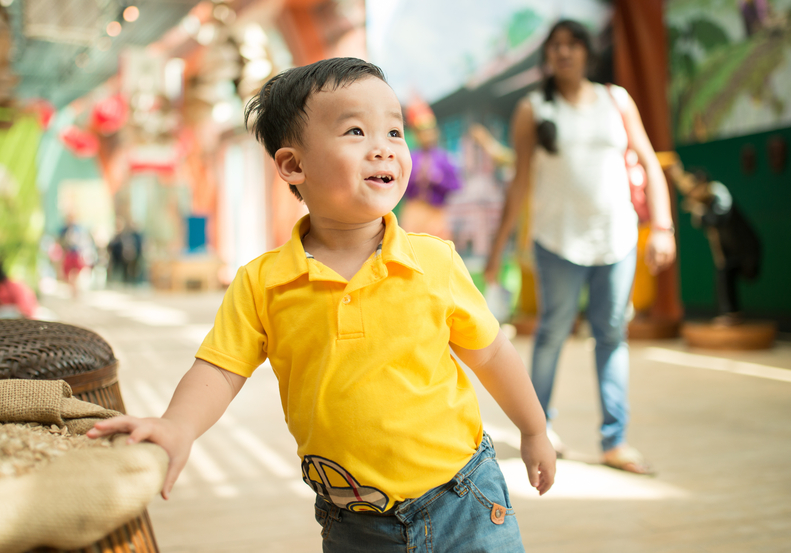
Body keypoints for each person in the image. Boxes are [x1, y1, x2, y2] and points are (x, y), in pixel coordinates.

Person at [89, 58, 555, 551]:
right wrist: (177, 426)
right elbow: (220, 370)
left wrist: (533, 429)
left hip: (463, 498)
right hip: (355, 522)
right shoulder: (264, 283)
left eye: (394, 132)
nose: (384, 148)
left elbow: (491, 353)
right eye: (356, 131)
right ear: (293, 165)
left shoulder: (433, 261)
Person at [484, 20, 676, 475]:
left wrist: (664, 225)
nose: (564, 53)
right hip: (557, 241)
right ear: (547, 57)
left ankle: (615, 441)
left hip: (617, 238)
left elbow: (648, 159)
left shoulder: (616, 99)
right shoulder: (534, 108)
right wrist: (498, 249)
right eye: (556, 47)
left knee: (611, 335)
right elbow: (520, 182)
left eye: (573, 45)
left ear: (587, 52)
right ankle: (540, 427)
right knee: (552, 332)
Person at [668, 164, 761, 322]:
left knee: (733, 272)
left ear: (703, 183)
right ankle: (731, 315)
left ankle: (731, 315)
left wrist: (702, 214)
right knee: (724, 272)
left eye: (693, 189)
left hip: (746, 249)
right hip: (730, 252)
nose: (691, 194)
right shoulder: (705, 201)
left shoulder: (718, 191)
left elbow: (720, 217)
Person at [399, 94, 462, 240]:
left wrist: (438, 180)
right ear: (416, 135)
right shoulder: (410, 158)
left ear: (435, 132)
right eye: (422, 131)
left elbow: (456, 186)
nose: (426, 135)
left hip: (436, 212)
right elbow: (400, 187)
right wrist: (415, 178)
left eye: (429, 130)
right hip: (413, 211)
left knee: (437, 249)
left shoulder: (444, 158)